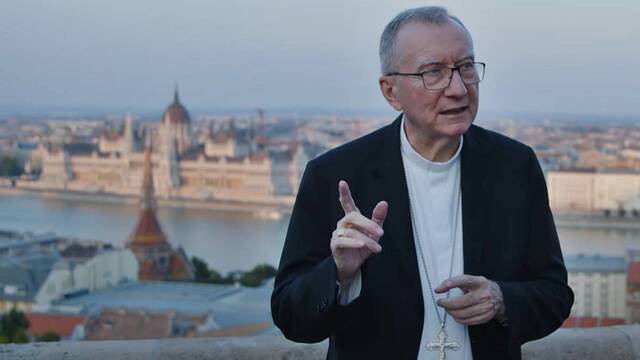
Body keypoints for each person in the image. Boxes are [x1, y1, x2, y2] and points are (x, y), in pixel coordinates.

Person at [271, 6, 573, 360]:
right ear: (391, 91)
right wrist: (338, 274)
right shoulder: (335, 175)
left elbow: (554, 294)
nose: (458, 88)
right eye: (434, 72)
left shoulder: (515, 166)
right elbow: (291, 318)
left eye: (466, 67)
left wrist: (502, 299)